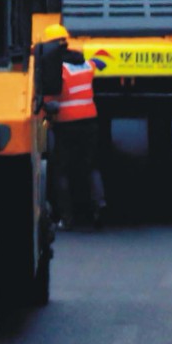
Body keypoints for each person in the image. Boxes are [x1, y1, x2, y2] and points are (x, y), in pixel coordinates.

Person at [45, 22, 102, 228]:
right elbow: (98, 64)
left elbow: (51, 95)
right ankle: (99, 207)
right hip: (90, 122)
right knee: (90, 166)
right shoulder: (85, 64)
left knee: (61, 170)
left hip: (66, 124)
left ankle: (66, 217)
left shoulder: (57, 69)